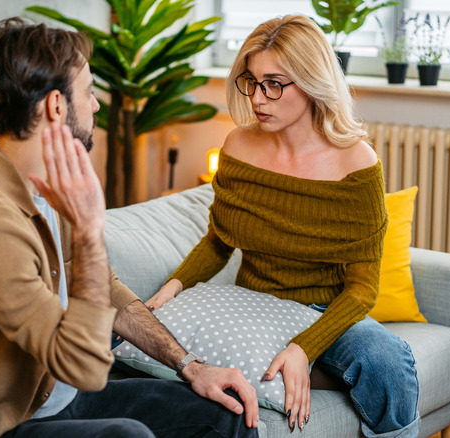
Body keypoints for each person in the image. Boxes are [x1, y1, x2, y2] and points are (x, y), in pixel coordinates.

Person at [0, 17, 258, 438]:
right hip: (4, 425)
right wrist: (90, 231)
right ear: (56, 106)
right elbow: (86, 367)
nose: (95, 106)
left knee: (226, 412)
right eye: (89, 92)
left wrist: (191, 366)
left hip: (64, 397)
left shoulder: (47, 188)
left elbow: (106, 292)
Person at [146, 14, 420, 438]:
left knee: (387, 360)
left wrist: (303, 348)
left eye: (275, 83)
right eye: (252, 81)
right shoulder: (238, 145)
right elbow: (219, 242)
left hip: (326, 311)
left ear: (312, 82)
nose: (258, 97)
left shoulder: (357, 164)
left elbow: (362, 289)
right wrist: (174, 286)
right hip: (255, 304)